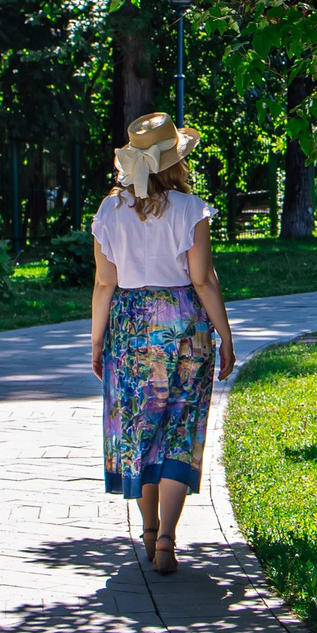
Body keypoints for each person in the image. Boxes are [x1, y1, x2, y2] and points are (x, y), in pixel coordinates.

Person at [89, 111, 237, 574]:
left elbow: (103, 284)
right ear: (176, 163)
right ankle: (168, 540)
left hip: (130, 328)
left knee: (139, 428)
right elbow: (204, 279)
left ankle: (148, 531)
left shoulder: (109, 211)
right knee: (177, 426)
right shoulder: (191, 210)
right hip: (185, 328)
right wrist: (226, 335)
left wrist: (97, 342)